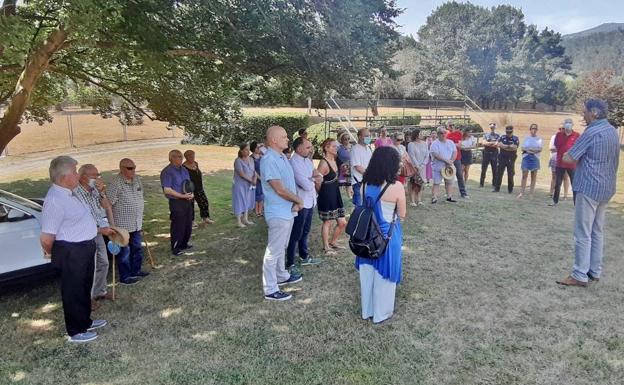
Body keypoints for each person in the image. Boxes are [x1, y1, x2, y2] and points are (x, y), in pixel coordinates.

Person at [40, 156, 107, 343]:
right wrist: (59, 255)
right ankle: (75, 331)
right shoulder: (55, 199)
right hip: (71, 251)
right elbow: (46, 238)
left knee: (84, 287)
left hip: (84, 247)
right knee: (73, 291)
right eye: (75, 171)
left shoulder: (70, 192)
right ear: (64, 176)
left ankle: (85, 321)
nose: (78, 175)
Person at [556, 98, 619, 287]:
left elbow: (569, 158)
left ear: (595, 113)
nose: (583, 115)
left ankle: (579, 274)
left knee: (582, 232)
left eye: (585, 112)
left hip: (589, 187)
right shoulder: (612, 131)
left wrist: (567, 150)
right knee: (597, 231)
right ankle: (594, 270)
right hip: (606, 187)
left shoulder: (591, 132)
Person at [355, 146, 406, 324]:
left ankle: (367, 310)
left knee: (367, 275)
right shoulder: (396, 186)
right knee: (384, 278)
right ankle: (381, 313)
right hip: (386, 237)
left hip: (366, 235)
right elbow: (402, 215)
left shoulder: (364, 184)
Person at [260, 125, 304, 301]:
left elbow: (289, 184)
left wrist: (295, 202)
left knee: (281, 247)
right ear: (274, 140)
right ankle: (270, 289)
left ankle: (281, 275)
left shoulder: (281, 157)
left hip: (287, 210)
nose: (288, 139)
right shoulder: (269, 159)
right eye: (284, 136)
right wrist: (298, 200)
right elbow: (279, 189)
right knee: (274, 250)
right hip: (278, 212)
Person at [74, 164, 114, 308]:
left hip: (98, 232)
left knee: (104, 262)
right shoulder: (75, 193)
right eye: (94, 176)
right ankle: (88, 298)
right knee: (89, 267)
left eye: (98, 175)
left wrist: (102, 192)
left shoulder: (95, 190)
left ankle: (99, 292)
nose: (97, 178)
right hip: (84, 235)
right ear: (83, 177)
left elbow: (105, 206)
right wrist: (99, 230)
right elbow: (78, 221)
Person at [108, 158, 149, 282]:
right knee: (124, 252)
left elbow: (140, 196)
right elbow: (108, 203)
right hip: (122, 225)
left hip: (136, 223)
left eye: (134, 167)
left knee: (137, 248)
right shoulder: (115, 183)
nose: (133, 170)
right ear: (121, 169)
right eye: (130, 168)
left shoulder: (137, 180)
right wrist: (112, 225)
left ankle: (136, 270)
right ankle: (125, 276)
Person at [286, 137, 322, 273]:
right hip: (301, 203)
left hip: (310, 201)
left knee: (305, 231)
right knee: (296, 233)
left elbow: (319, 176)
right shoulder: (294, 163)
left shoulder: (307, 161)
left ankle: (304, 256)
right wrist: (314, 179)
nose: (310, 149)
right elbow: (306, 185)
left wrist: (313, 178)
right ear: (299, 148)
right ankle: (290, 262)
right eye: (307, 147)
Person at [160, 150, 195, 256]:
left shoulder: (184, 170)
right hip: (176, 202)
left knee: (188, 223)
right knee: (178, 225)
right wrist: (182, 196)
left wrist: (191, 194)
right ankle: (176, 247)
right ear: (171, 158)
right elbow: (167, 189)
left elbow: (188, 184)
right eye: (179, 157)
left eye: (181, 156)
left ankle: (184, 243)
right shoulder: (167, 171)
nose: (181, 158)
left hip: (187, 200)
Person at [317, 138, 347, 255]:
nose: (337, 148)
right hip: (326, 195)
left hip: (335, 194)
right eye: (334, 146)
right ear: (327, 148)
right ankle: (326, 247)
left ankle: (333, 242)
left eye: (337, 146)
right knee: (327, 222)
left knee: (342, 222)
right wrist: (322, 194)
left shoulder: (334, 159)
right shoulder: (323, 163)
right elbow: (317, 182)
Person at [550, 118, 580, 206]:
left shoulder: (577, 135)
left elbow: (578, 148)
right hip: (560, 163)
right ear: (564, 125)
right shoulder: (559, 135)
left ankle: (576, 203)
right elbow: (557, 146)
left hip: (572, 164)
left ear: (572, 125)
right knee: (557, 183)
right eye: (566, 123)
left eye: (570, 123)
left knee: (574, 183)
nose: (568, 124)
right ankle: (555, 201)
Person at [182, 150, 214, 226]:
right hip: (190, 189)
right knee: (190, 205)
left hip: (199, 187)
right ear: (186, 157)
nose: (192, 157)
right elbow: (184, 179)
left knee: (204, 202)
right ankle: (191, 221)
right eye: (190, 156)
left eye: (193, 156)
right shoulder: (183, 167)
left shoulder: (196, 163)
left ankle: (205, 218)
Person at [429, 127, 457, 203]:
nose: (443, 134)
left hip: (449, 166)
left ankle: (449, 197)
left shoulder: (450, 142)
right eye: (441, 133)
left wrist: (451, 161)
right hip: (438, 166)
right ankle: (434, 198)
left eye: (444, 133)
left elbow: (455, 152)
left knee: (449, 182)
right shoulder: (434, 143)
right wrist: (446, 160)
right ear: (438, 134)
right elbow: (435, 154)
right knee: (436, 183)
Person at [232, 143, 257, 227]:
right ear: (241, 151)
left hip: (249, 185)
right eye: (246, 149)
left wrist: (255, 179)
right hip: (240, 185)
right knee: (239, 201)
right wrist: (252, 180)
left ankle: (245, 219)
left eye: (248, 149)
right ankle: (239, 221)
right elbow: (241, 174)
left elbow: (254, 171)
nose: (248, 151)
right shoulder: (238, 161)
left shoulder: (251, 159)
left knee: (247, 200)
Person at [517, 124, 543, 198]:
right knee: (524, 175)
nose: (534, 130)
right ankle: (522, 192)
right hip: (526, 157)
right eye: (532, 128)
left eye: (535, 128)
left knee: (533, 176)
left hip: (535, 157)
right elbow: (523, 148)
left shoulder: (539, 139)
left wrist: (530, 150)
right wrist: (530, 150)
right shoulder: (526, 138)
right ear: (530, 129)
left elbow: (539, 149)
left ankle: (531, 193)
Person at [445, 120, 469, 198]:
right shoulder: (445, 134)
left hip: (457, 157)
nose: (451, 127)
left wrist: (450, 144)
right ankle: (447, 193)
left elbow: (459, 145)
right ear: (447, 126)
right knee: (448, 175)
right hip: (448, 158)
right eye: (449, 125)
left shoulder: (458, 133)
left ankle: (463, 193)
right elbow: (445, 145)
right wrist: (453, 144)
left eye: (452, 125)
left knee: (459, 175)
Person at [492, 126, 519, 193]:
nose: (508, 133)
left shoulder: (515, 138)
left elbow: (515, 147)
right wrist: (508, 146)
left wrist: (504, 146)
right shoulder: (502, 137)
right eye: (507, 132)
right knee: (499, 173)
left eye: (510, 132)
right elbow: (497, 144)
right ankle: (496, 188)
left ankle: (510, 189)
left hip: (511, 158)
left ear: (512, 131)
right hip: (502, 157)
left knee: (510, 173)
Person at [350, 128, 373, 206]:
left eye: (369, 136)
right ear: (359, 137)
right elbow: (358, 167)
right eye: (366, 136)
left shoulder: (368, 149)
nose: (368, 138)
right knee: (359, 206)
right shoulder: (355, 149)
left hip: (367, 181)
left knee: (366, 204)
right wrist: (370, 175)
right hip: (358, 182)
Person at [407, 129, 429, 206]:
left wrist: (423, 165)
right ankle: (412, 201)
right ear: (416, 135)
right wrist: (417, 166)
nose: (422, 135)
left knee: (421, 183)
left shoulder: (424, 143)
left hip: (423, 167)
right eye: (420, 133)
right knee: (413, 183)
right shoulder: (411, 144)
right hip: (414, 167)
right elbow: (412, 156)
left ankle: (419, 199)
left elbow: (427, 155)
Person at [548, 125, 570, 199]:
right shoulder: (554, 137)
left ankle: (565, 195)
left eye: (563, 128)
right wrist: (562, 150)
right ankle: (551, 193)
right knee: (554, 176)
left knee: (565, 177)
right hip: (555, 159)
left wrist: (560, 149)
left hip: (565, 159)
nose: (561, 130)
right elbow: (551, 148)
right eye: (560, 128)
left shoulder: (569, 137)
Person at [480, 123, 500, 188]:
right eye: (491, 127)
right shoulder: (486, 135)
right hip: (486, 153)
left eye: (493, 127)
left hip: (494, 154)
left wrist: (489, 143)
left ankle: (494, 184)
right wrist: (492, 143)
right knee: (484, 169)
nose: (492, 129)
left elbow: (497, 144)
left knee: (495, 169)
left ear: (495, 128)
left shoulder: (498, 136)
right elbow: (483, 143)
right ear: (489, 128)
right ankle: (481, 183)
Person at [250, 141, 265, 216]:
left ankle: (260, 211)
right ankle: (256, 211)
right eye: (257, 147)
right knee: (256, 195)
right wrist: (260, 178)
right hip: (255, 179)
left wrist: (261, 145)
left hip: (262, 178)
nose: (259, 148)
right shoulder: (251, 158)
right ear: (253, 149)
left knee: (262, 195)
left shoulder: (261, 156)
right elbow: (253, 170)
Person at [337, 133, 353, 198]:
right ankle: (339, 199)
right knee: (340, 185)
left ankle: (350, 198)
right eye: (345, 139)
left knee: (349, 185)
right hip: (342, 169)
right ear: (341, 140)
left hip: (350, 169)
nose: (347, 140)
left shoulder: (352, 147)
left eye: (348, 139)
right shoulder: (339, 148)